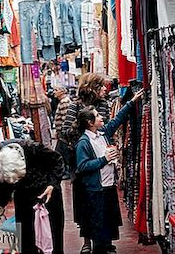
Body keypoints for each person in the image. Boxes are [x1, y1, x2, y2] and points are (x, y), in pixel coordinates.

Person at [75, 90, 143, 254]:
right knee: (98, 221)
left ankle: (107, 246)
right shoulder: (83, 143)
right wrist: (104, 160)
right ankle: (100, 248)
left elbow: (117, 120)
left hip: (107, 186)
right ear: (90, 122)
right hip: (95, 189)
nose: (101, 117)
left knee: (107, 219)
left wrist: (131, 102)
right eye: (98, 116)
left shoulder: (102, 134)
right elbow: (82, 166)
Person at [0, 138, 65, 254]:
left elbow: (57, 161)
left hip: (48, 197)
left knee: (52, 237)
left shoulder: (30, 147)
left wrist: (52, 184)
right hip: (25, 201)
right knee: (26, 240)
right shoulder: (0, 165)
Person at [60, 73, 111, 253]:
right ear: (93, 88)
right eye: (102, 86)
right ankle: (87, 241)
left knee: (104, 200)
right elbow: (64, 132)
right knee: (84, 202)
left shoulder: (104, 105)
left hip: (102, 159)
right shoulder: (75, 105)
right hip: (82, 161)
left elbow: (107, 129)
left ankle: (104, 240)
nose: (105, 89)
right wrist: (85, 139)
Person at [53, 85, 71, 179]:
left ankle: (67, 172)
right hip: (62, 133)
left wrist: (62, 132)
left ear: (62, 92)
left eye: (56, 90)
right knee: (60, 152)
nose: (54, 92)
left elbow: (65, 119)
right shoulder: (63, 101)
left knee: (61, 153)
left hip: (64, 134)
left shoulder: (64, 102)